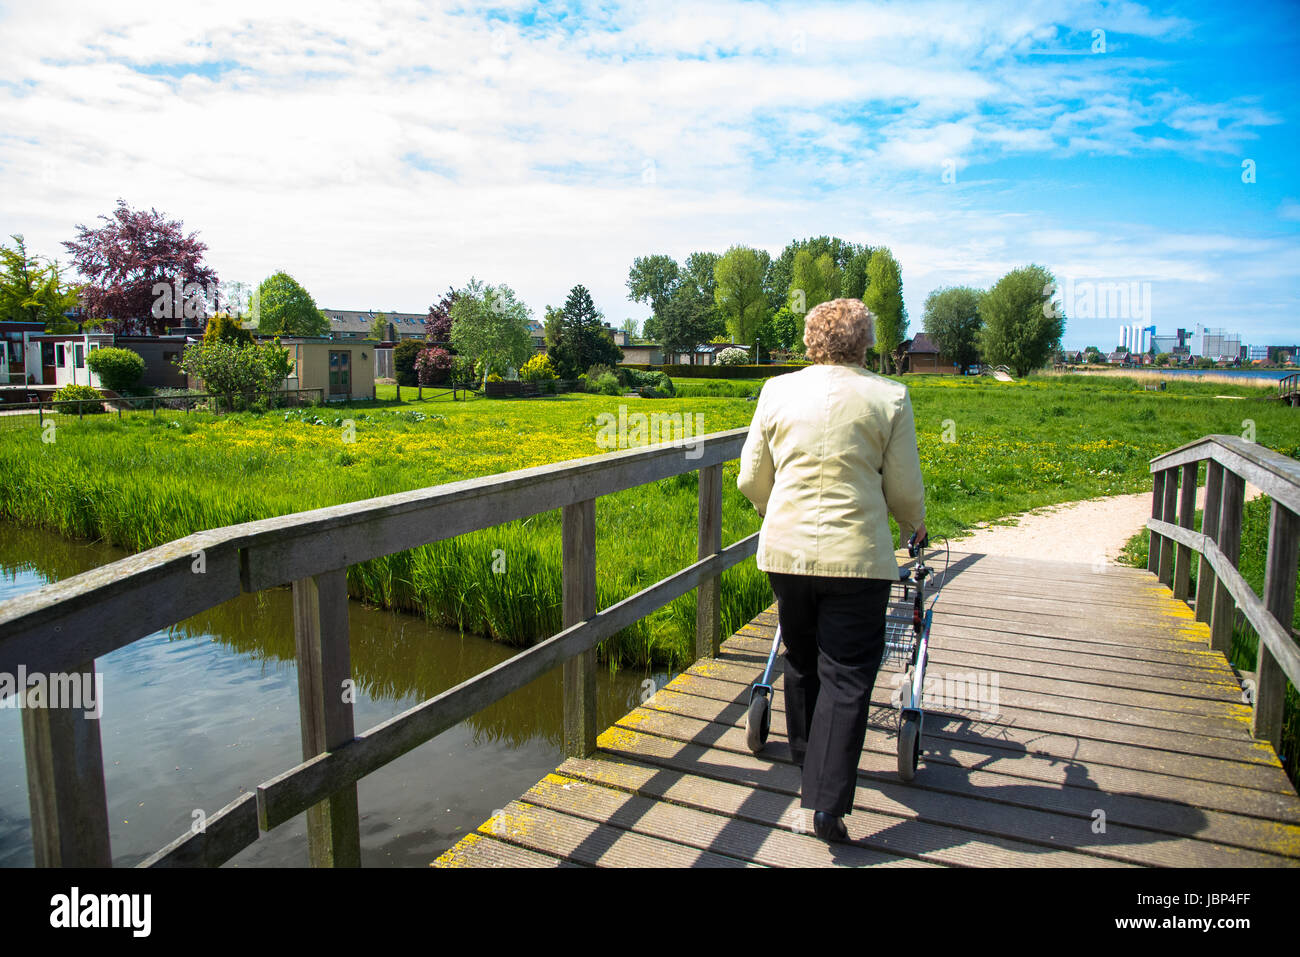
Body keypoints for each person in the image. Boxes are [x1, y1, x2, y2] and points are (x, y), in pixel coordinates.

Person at [737, 298, 926, 843]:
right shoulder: (889, 395)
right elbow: (903, 488)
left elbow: (752, 476)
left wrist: (779, 512)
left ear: (810, 341)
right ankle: (825, 804)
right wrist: (914, 523)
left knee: (800, 656)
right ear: (864, 341)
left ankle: (806, 761)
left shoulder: (777, 391)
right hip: (857, 559)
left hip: (786, 554)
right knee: (847, 671)